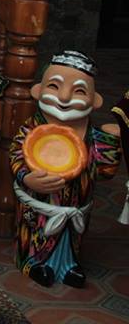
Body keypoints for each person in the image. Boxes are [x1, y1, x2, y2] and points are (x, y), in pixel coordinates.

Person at [10, 50, 121, 288]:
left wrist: (112, 141)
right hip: (39, 205)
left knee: (71, 238)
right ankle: (32, 263)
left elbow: (105, 171)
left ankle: (68, 265)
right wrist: (27, 178)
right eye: (54, 86)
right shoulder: (30, 130)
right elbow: (17, 155)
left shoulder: (92, 136)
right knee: (35, 233)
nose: (64, 96)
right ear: (37, 90)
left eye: (79, 90)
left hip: (75, 205)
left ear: (95, 100)